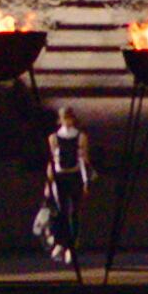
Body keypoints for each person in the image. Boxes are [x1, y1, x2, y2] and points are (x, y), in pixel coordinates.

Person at [36, 105, 92, 267]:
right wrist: (49, 182)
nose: (66, 121)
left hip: (74, 176)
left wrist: (85, 181)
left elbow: (84, 159)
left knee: (74, 212)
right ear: (59, 120)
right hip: (59, 177)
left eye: (69, 117)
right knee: (59, 212)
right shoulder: (53, 138)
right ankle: (61, 242)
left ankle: (72, 247)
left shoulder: (80, 137)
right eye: (63, 118)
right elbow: (52, 161)